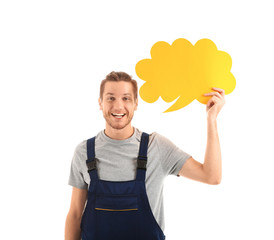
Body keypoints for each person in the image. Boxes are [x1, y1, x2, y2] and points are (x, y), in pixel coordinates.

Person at [65, 71, 225, 240]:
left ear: (136, 104)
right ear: (100, 103)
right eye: (110, 98)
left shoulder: (155, 147)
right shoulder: (84, 152)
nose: (118, 106)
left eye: (126, 98)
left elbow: (211, 176)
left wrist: (211, 119)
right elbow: (75, 214)